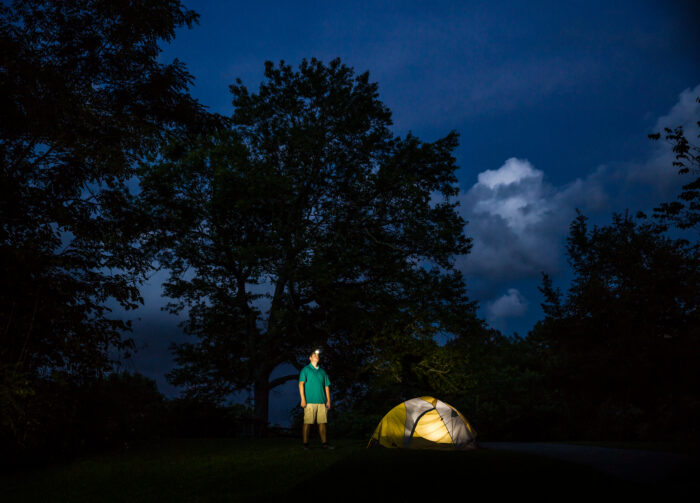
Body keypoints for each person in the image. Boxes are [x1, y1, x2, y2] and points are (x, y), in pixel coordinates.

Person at [298, 349, 334, 449]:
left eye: (317, 355)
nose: (316, 356)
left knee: (322, 423)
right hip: (309, 401)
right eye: (314, 355)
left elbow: (327, 386)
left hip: (322, 402)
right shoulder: (305, 370)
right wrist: (303, 399)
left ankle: (325, 444)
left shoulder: (322, 371)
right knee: (307, 423)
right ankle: (305, 444)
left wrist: (328, 400)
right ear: (310, 358)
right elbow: (301, 384)